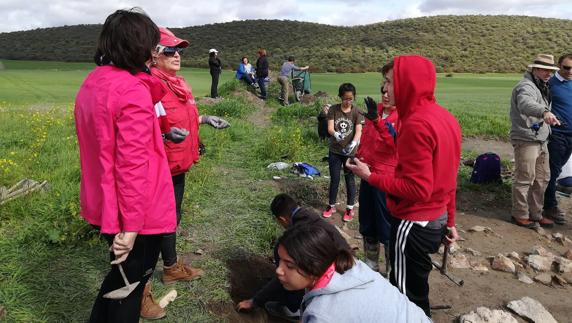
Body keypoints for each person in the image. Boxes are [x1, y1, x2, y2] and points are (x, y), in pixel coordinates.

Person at [75, 8, 176, 322]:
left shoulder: (93, 82)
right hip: (137, 212)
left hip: (104, 202)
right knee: (130, 287)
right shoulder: (132, 92)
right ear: (140, 47)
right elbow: (133, 165)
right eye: (152, 45)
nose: (154, 52)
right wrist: (131, 227)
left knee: (119, 281)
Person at [346, 56, 461, 317]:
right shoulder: (444, 117)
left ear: (406, 82)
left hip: (414, 221)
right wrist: (450, 220)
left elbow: (418, 188)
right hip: (435, 217)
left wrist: (369, 176)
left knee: (404, 293)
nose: (384, 89)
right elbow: (449, 176)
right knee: (416, 287)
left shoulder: (415, 123)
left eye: (389, 82)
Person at [150, 26, 230, 302]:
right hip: (159, 167)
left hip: (177, 164)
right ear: (153, 54)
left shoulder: (177, 83)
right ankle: (156, 274)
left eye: (179, 50)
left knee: (173, 216)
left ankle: (170, 266)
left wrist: (205, 119)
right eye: (170, 50)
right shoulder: (150, 84)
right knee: (161, 219)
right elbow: (148, 126)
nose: (177, 55)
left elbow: (179, 119)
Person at [276, 225, 431, 323]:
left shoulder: (324, 314)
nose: (278, 270)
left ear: (313, 265)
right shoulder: (352, 267)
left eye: (288, 265)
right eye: (280, 261)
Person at [236, 193, 349, 322]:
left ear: (282, 219)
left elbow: (286, 276)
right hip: (347, 262)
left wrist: (255, 301)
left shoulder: (319, 316)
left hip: (338, 270)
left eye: (288, 265)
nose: (279, 270)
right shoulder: (309, 217)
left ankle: (294, 308)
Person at [509, 54, 560, 229]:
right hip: (526, 139)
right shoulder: (526, 86)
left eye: (551, 71)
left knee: (541, 179)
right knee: (524, 179)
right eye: (545, 70)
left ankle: (536, 214)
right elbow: (525, 104)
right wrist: (544, 112)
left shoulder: (542, 86)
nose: (549, 74)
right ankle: (520, 215)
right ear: (535, 69)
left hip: (540, 140)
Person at [356, 81, 398, 272]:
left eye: (389, 92)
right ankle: (371, 267)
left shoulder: (404, 117)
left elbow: (393, 145)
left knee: (386, 226)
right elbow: (367, 138)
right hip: (367, 173)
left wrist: (377, 121)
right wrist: (358, 157)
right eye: (383, 91)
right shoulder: (377, 110)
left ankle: (392, 272)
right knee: (367, 222)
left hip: (386, 179)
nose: (385, 95)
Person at [322, 83, 364, 222]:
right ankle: (331, 206)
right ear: (340, 97)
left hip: (350, 152)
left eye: (350, 99)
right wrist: (336, 134)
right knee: (334, 179)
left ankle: (350, 208)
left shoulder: (357, 112)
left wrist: (353, 143)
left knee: (349, 180)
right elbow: (329, 128)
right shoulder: (333, 109)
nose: (348, 102)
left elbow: (358, 131)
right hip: (335, 150)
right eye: (345, 98)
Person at [543, 53, 572, 225]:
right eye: (566, 67)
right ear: (559, 67)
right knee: (552, 172)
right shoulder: (550, 84)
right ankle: (549, 207)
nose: (569, 71)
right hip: (558, 134)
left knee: (559, 169)